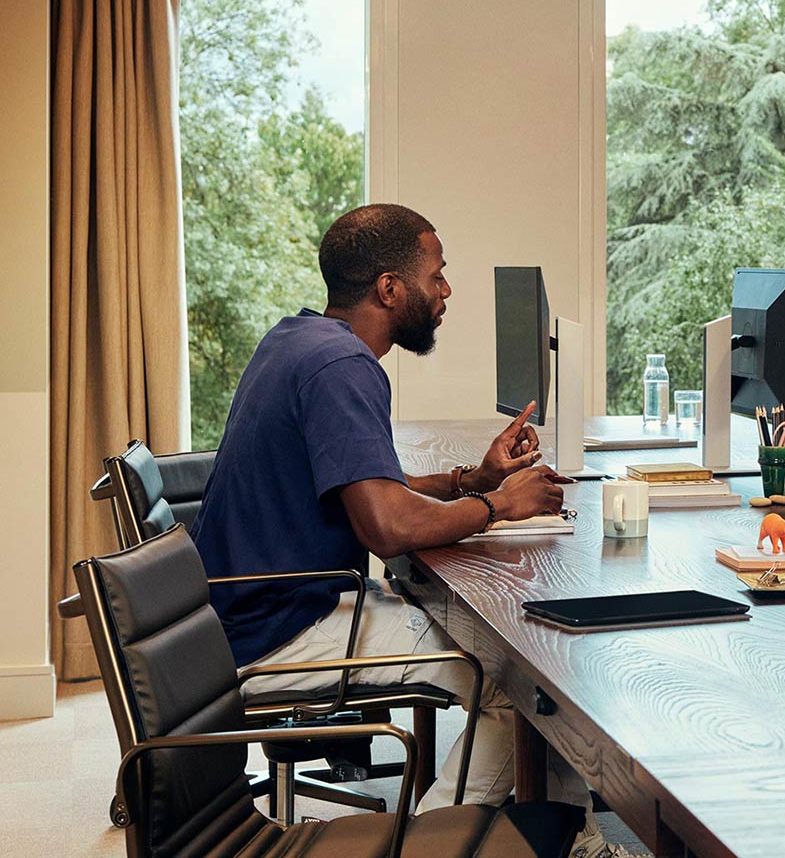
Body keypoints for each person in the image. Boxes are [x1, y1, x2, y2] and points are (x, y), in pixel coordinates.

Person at [191, 203, 569, 816]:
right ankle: (437, 842)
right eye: (437, 275)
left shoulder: (297, 339)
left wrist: (468, 479)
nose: (446, 290)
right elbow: (386, 526)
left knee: (506, 653)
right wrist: (499, 504)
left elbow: (362, 486)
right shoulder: (343, 366)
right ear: (391, 289)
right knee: (524, 684)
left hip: (243, 615)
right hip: (280, 630)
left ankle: (556, 830)